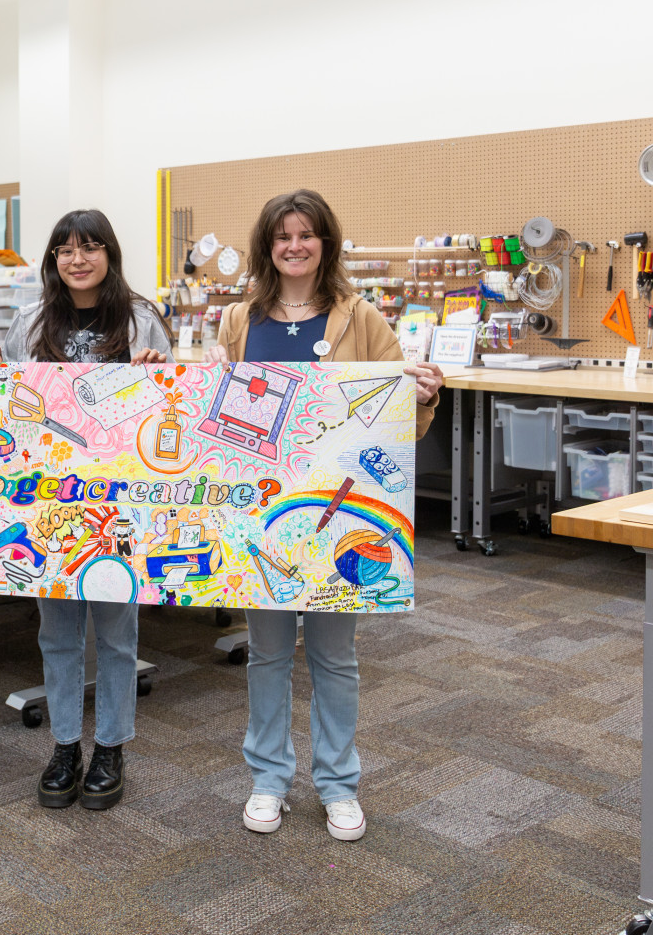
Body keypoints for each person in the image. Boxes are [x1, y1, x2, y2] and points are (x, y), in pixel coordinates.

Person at [207, 188, 443, 843]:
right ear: (267, 246)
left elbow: (399, 420)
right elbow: (213, 420)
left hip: (343, 519)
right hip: (263, 520)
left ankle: (339, 783)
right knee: (268, 654)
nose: (294, 246)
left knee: (336, 658)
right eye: (282, 236)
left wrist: (421, 394)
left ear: (324, 243)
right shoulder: (238, 320)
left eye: (305, 234)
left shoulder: (358, 317)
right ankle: (268, 779)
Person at [0, 210, 170, 811]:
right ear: (52, 260)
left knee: (116, 632)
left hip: (119, 500)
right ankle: (64, 745)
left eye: (89, 248)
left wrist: (163, 375)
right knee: (56, 633)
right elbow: (11, 407)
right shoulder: (31, 319)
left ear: (109, 253)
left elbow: (171, 412)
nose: (76, 260)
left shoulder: (141, 318)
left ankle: (110, 746)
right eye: (63, 250)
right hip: (48, 499)